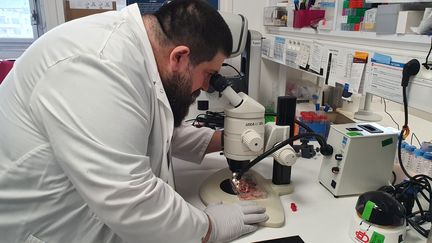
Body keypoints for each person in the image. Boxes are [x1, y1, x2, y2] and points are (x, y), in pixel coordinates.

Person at [0, 0, 268, 242]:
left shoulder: (139, 55)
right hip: (46, 227)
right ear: (180, 57)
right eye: (208, 74)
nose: (208, 86)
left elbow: (150, 129)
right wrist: (209, 227)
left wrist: (225, 140)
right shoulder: (99, 65)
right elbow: (130, 198)